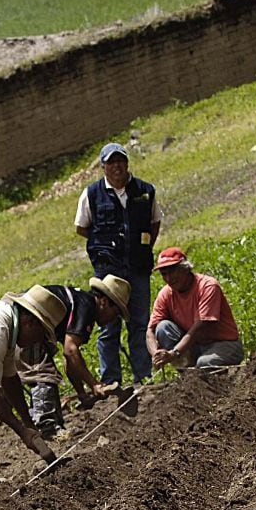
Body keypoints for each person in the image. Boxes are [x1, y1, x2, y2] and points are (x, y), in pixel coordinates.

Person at [75, 143, 160, 386]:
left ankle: (142, 377)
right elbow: (82, 227)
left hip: (138, 269)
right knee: (108, 327)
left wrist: (142, 247)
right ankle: (111, 378)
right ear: (103, 167)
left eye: (120, 161)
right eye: (111, 163)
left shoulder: (145, 190)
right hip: (107, 274)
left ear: (127, 163)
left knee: (140, 323)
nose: (117, 167)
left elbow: (155, 222)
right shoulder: (91, 193)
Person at [0, 286, 67, 462]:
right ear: (30, 322)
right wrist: (21, 430)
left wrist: (28, 422)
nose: (39, 341)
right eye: (43, 334)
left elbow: (9, 380)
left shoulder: (8, 326)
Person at [17, 275, 129, 436]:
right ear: (104, 301)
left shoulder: (80, 302)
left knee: (39, 371)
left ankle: (54, 425)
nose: (114, 319)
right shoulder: (86, 306)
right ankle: (47, 427)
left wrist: (82, 394)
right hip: (27, 324)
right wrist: (94, 384)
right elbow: (71, 350)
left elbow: (68, 358)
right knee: (43, 373)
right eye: (116, 312)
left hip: (30, 325)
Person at [148, 247, 244, 369]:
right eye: (164, 274)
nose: (168, 278)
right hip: (194, 345)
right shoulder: (166, 293)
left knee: (204, 364)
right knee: (163, 328)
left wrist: (174, 353)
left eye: (172, 272)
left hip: (223, 344)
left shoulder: (207, 286)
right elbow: (150, 330)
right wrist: (156, 354)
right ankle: (186, 373)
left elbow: (200, 327)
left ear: (185, 268)